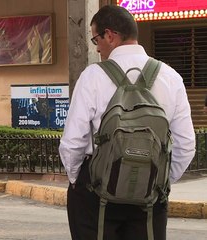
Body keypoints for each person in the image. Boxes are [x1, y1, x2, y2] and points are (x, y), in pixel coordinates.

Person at [58, 5, 195, 240]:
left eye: (96, 39)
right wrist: (156, 181)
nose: (97, 47)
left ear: (110, 35)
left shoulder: (92, 76)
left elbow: (72, 142)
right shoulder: (171, 77)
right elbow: (186, 145)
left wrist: (76, 181)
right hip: (149, 193)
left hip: (96, 192)